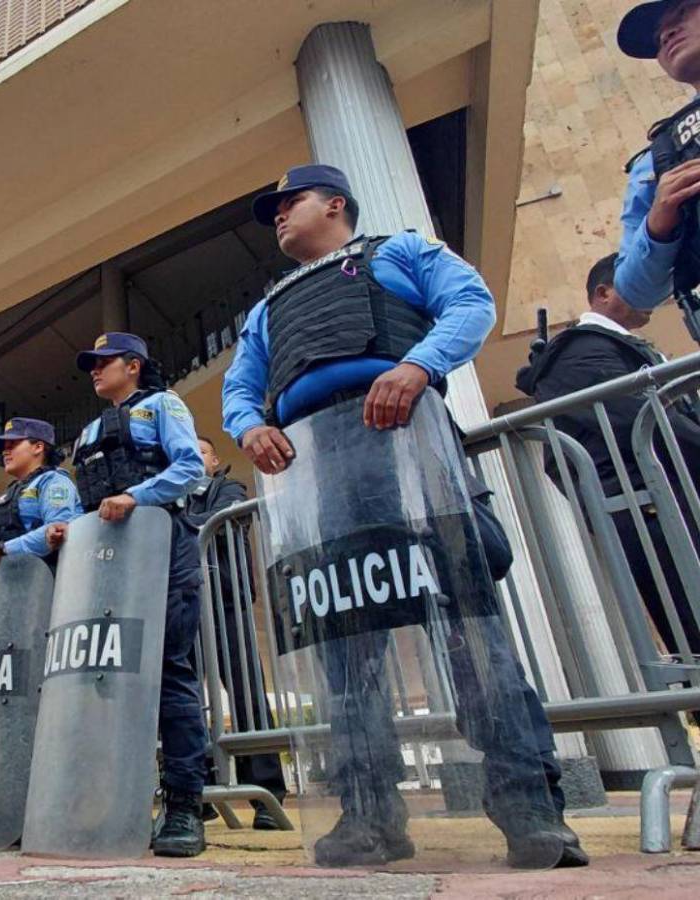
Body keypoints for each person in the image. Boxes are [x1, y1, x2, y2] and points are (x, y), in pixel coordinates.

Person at [221, 164, 587, 868]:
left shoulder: (400, 252)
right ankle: (367, 817)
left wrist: (416, 366)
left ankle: (529, 810)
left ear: (335, 205)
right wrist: (246, 427)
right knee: (346, 660)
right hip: (323, 480)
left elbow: (470, 304)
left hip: (412, 457)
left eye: (288, 202)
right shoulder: (268, 310)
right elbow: (242, 386)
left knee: (471, 636)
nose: (277, 215)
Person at [54, 331, 208, 858]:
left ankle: (185, 805)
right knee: (101, 679)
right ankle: (108, 801)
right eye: (90, 364)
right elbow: (85, 500)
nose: (94, 371)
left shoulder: (163, 405)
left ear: (134, 366)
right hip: (107, 562)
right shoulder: (90, 430)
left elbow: (189, 469)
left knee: (169, 672)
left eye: (104, 362)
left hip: (162, 546)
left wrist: (135, 496)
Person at [517, 253, 700, 661]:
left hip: (662, 503)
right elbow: (649, 423)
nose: (654, 293)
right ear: (603, 293)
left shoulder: (610, 349)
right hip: (651, 507)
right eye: (640, 281)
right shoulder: (580, 353)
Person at [184, 437, 288, 829]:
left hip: (226, 604)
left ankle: (267, 794)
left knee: (248, 697)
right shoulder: (175, 496)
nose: (193, 457)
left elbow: (223, 519)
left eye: (201, 452)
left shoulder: (227, 488)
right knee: (186, 702)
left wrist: (179, 529)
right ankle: (196, 789)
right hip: (185, 605)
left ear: (214, 461)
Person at [615, 1, 700, 312]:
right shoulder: (659, 159)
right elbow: (633, 292)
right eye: (657, 36)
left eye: (681, 13)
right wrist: (659, 222)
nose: (666, 34)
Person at [0, 417, 83, 584]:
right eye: (4, 448)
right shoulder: (2, 499)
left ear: (38, 447)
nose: (5, 451)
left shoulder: (53, 481)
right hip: (1, 589)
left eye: (13, 444)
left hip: (42, 586)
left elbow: (58, 529)